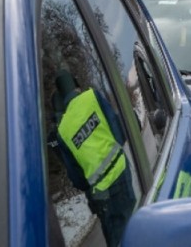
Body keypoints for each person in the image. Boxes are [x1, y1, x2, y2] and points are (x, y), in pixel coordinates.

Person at [51, 69, 136, 246]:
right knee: (134, 228)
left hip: (101, 195)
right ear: (77, 86)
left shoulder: (62, 131)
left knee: (116, 239)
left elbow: (78, 179)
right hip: (121, 174)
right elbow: (119, 134)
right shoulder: (93, 97)